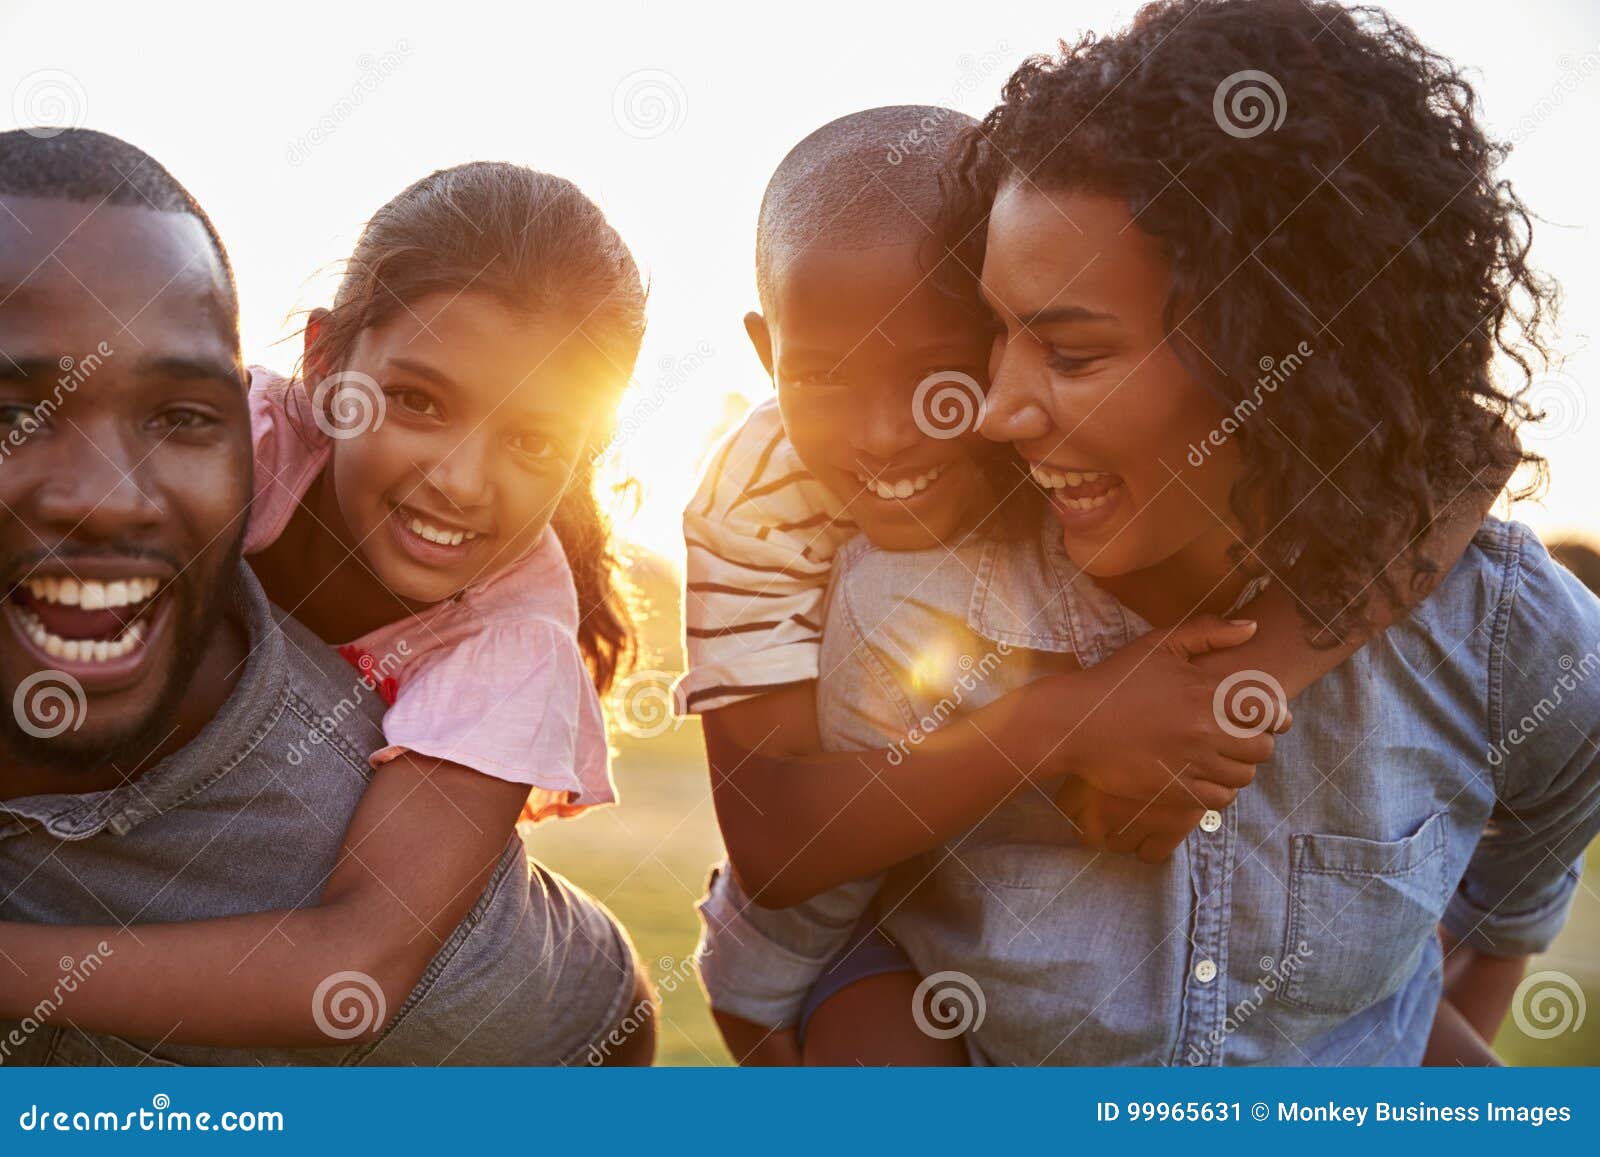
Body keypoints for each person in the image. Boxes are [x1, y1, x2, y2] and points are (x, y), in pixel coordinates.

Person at [680, 96, 1501, 1064]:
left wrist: (1240, 689)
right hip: (866, 913)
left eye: (939, 372)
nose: (883, 431)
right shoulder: (754, 500)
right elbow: (777, 845)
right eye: (824, 376)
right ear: (766, 352)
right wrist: (1071, 722)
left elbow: (1468, 448)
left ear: (1008, 327)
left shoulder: (1069, 418)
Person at [0, 128, 652, 1066]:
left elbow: (354, 970)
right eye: (420, 401)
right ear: (325, 362)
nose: (462, 480)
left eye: (536, 442)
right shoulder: (240, 444)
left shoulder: (512, 638)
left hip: (557, 1044)